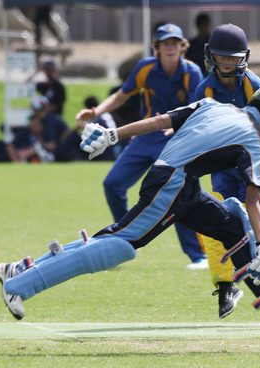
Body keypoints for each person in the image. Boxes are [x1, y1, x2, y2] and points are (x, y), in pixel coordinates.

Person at [0, 82, 260, 336]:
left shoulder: (214, 106)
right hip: (172, 184)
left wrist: (112, 135)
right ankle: (20, 284)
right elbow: (254, 199)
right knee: (119, 245)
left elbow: (161, 121)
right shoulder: (252, 141)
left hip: (179, 183)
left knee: (232, 225)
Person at [76, 23, 207, 270]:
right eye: (165, 44)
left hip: (176, 141)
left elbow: (198, 109)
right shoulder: (145, 68)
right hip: (146, 138)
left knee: (180, 192)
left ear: (182, 47)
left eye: (175, 43)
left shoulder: (192, 72)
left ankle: (197, 256)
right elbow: (122, 95)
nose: (171, 48)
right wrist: (96, 111)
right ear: (156, 48)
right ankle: (122, 239)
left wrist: (177, 127)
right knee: (112, 184)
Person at [194, 23, 260, 319]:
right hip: (224, 161)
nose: (227, 63)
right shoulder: (204, 89)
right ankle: (225, 285)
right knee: (215, 220)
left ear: (243, 58)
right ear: (211, 56)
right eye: (222, 57)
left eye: (233, 58)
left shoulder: (255, 86)